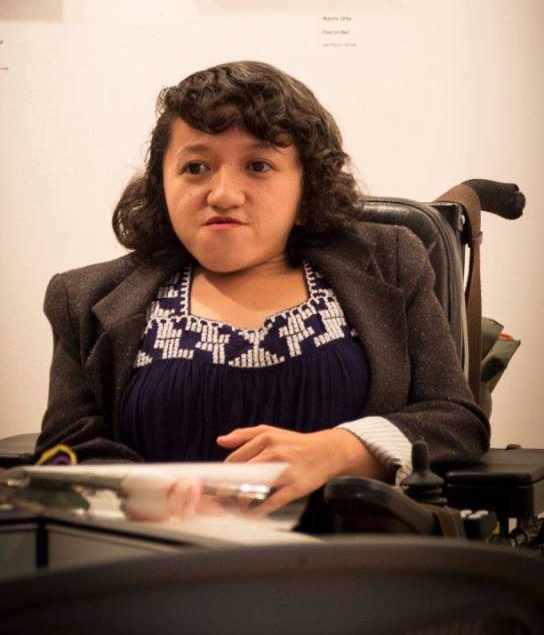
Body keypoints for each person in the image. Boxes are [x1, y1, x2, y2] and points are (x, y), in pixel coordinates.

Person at [37, 61, 489, 515]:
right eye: (195, 167)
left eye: (258, 165)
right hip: (159, 563)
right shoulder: (84, 297)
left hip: (354, 565)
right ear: (162, 184)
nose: (224, 194)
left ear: (305, 185)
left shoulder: (391, 261)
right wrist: (156, 499)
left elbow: (455, 420)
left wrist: (341, 450)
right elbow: (65, 452)